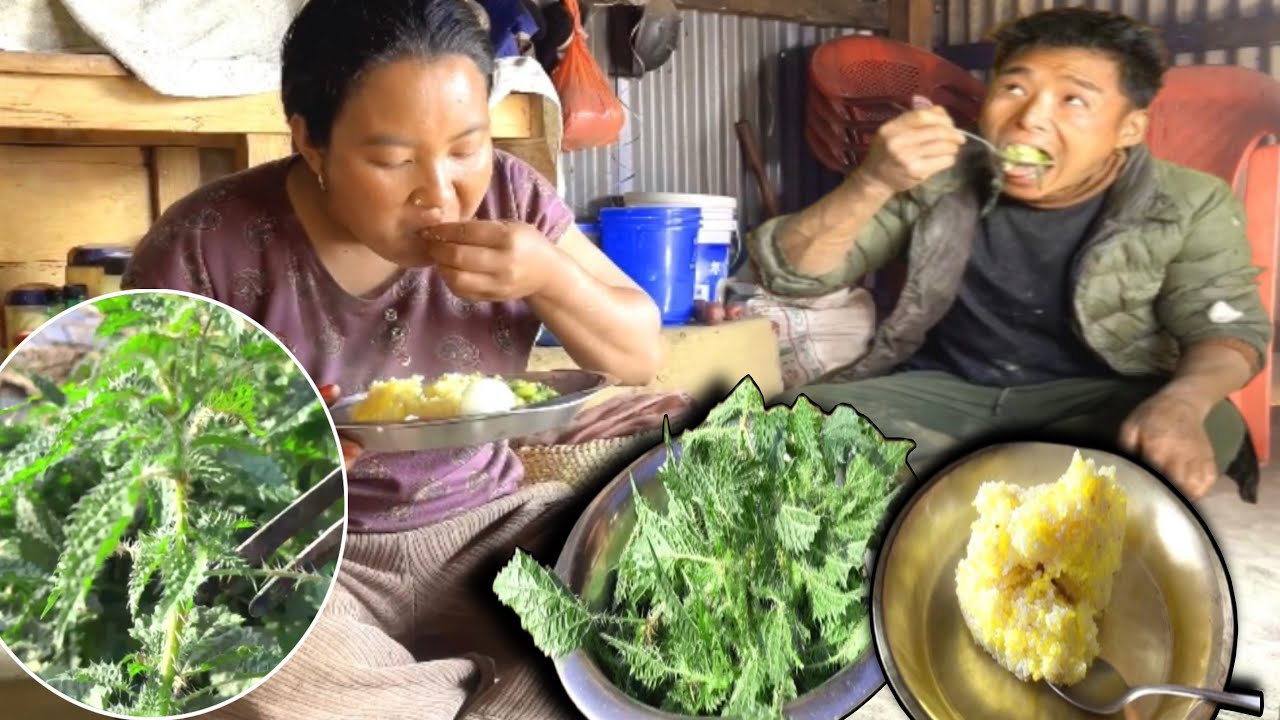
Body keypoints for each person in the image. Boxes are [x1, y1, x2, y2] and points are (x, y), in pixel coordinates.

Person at [123, 0, 677, 717]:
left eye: (466, 147)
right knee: (222, 636)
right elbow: (135, 464)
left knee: (652, 587)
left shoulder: (511, 197)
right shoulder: (206, 244)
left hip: (492, 525)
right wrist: (268, 457)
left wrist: (552, 276)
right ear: (311, 143)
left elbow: (640, 352)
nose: (441, 194)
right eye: (391, 160)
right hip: (301, 555)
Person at [747, 7, 1272, 501]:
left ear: (1128, 129)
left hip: (1098, 397)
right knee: (781, 432)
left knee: (1209, 420)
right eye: (1014, 87)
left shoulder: (1189, 200)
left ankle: (971, 497)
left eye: (1073, 100)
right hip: (942, 391)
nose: (1029, 119)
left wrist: (1180, 402)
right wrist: (872, 180)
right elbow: (795, 275)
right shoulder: (939, 178)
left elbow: (1225, 330)